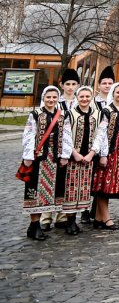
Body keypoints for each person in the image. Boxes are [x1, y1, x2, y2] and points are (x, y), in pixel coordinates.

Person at [21, 86, 72, 240]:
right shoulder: (36, 114)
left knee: (52, 191)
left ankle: (40, 224)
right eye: (48, 97)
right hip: (38, 158)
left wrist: (65, 154)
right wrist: (28, 155)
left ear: (58, 98)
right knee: (35, 191)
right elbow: (29, 134)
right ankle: (34, 224)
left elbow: (67, 135)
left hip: (55, 158)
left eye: (54, 97)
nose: (51, 100)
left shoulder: (63, 115)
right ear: (43, 97)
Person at [62, 86, 101, 235]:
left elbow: (100, 135)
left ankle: (78, 218)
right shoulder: (69, 114)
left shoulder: (97, 114)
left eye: (87, 96)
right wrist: (74, 153)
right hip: (74, 158)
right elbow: (65, 135)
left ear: (91, 98)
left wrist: (92, 153)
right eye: (82, 96)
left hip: (88, 158)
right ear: (77, 97)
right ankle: (70, 221)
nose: (84, 99)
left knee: (84, 189)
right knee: (71, 190)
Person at [94, 83, 119, 229]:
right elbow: (102, 133)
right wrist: (104, 154)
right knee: (104, 184)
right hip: (111, 149)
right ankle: (106, 218)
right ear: (113, 93)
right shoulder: (107, 110)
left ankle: (99, 217)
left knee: (110, 184)